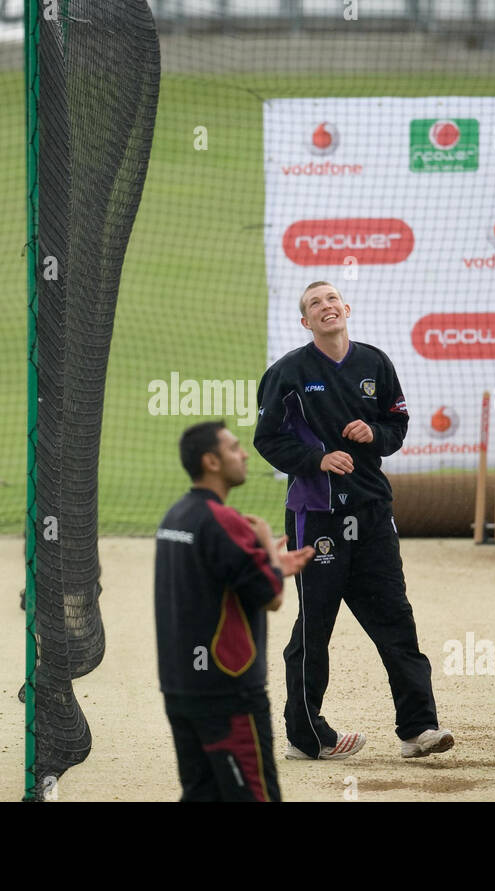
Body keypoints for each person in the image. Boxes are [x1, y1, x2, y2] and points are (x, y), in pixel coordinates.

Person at [254, 282, 454, 762]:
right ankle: (308, 737)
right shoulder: (287, 373)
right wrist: (318, 459)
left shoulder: (376, 363)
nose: (325, 307)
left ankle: (418, 729)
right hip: (316, 517)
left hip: (371, 515)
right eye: (314, 304)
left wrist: (376, 433)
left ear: (347, 309)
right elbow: (268, 439)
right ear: (306, 322)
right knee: (314, 627)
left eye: (331, 300)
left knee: (396, 620)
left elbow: (397, 425)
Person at [155, 421, 313, 801]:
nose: (243, 455)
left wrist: (270, 561)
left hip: (181, 688)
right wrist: (265, 549)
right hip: (228, 693)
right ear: (211, 461)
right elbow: (271, 596)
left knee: (201, 794)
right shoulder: (227, 523)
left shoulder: (174, 518)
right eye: (233, 448)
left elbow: (217, 580)